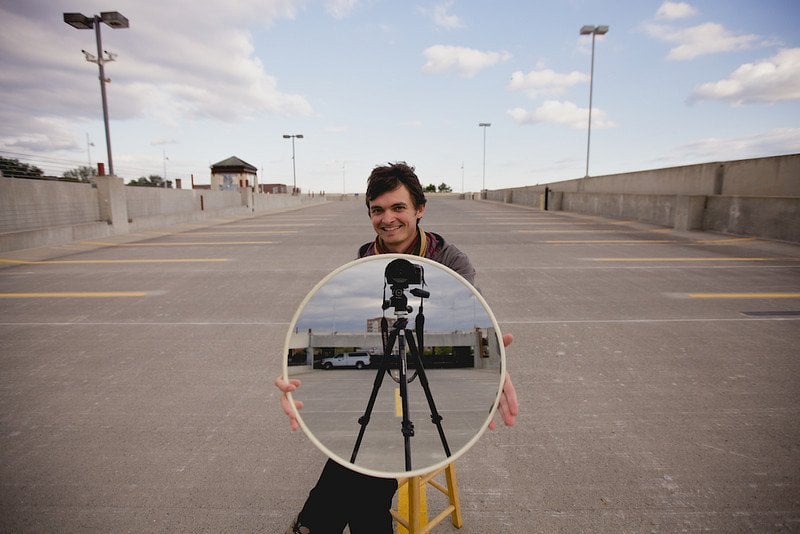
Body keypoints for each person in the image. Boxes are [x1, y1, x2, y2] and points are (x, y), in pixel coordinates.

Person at [276, 162, 518, 533]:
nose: (387, 219)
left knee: (367, 462)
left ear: (420, 209)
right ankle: (321, 523)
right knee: (369, 463)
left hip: (432, 384)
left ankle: (315, 523)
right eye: (378, 210)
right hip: (386, 373)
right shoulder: (364, 263)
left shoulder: (450, 261)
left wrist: (499, 366)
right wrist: (291, 372)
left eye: (398, 207)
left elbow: (476, 315)